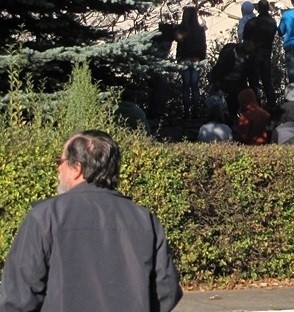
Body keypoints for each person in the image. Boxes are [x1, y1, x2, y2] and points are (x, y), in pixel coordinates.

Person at [0, 130, 182, 311]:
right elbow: (166, 290)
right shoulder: (143, 219)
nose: (58, 169)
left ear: (77, 168)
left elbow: (18, 296)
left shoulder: (46, 216)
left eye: (60, 161)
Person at [242, 0, 278, 110]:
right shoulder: (272, 22)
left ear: (258, 9)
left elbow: (245, 37)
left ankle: (255, 107)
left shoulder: (252, 23)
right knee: (267, 82)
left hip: (254, 55)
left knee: (254, 83)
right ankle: (272, 106)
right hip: (266, 54)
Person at [208, 41, 255, 121]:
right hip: (225, 80)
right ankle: (225, 117)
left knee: (239, 97)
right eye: (245, 55)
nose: (246, 57)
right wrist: (216, 84)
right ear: (240, 52)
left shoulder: (248, 58)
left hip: (238, 81)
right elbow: (219, 70)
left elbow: (250, 72)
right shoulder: (228, 55)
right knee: (224, 99)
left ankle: (234, 116)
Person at [175, 5, 207, 118]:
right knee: (195, 86)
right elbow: (203, 45)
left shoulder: (182, 29)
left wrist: (178, 58)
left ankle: (186, 112)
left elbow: (179, 45)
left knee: (185, 86)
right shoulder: (200, 29)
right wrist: (202, 58)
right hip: (196, 60)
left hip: (184, 60)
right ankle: (196, 112)